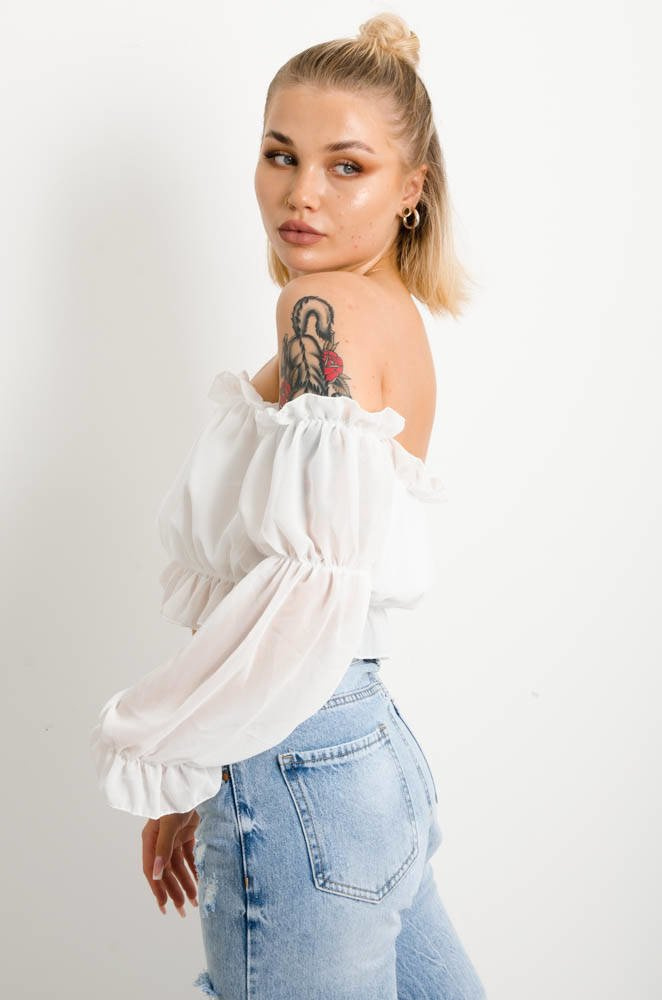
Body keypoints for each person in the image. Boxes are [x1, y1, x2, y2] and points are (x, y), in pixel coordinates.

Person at [90, 12, 487, 999]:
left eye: (346, 166)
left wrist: (183, 746)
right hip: (366, 753)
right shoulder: (384, 311)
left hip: (297, 757)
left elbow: (304, 586)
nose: (301, 192)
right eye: (280, 155)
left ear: (411, 189)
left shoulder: (322, 311)